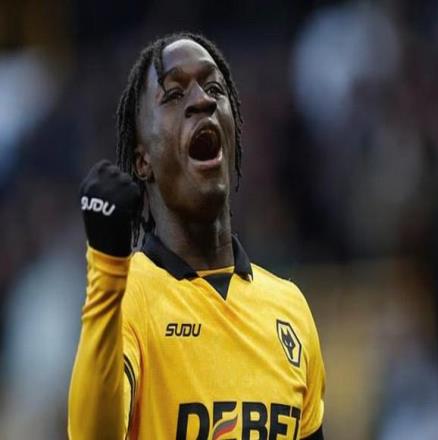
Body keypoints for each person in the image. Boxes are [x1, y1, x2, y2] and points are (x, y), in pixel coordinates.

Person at [68, 32, 325, 440]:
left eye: (214, 88)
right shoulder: (127, 296)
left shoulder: (290, 309)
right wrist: (106, 264)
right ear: (142, 160)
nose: (202, 101)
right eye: (173, 95)